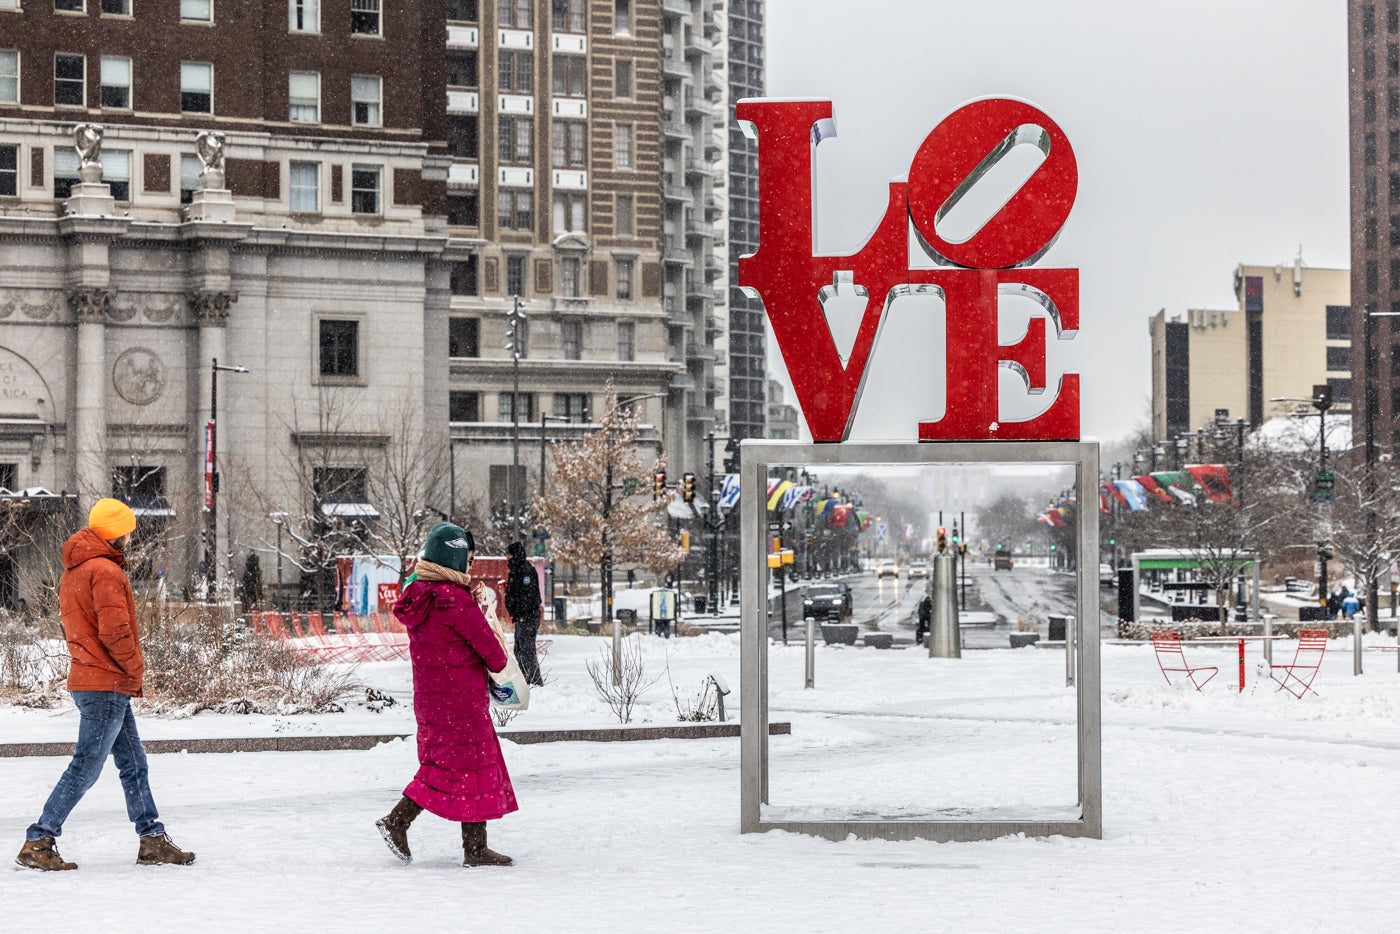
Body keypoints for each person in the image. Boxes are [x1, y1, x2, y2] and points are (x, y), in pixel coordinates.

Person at [16, 498, 195, 871]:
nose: (131, 535)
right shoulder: (105, 571)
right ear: (117, 532)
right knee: (86, 766)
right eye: (128, 529)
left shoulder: (75, 570)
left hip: (90, 677)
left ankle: (152, 839)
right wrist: (134, 667)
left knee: (133, 762)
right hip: (106, 681)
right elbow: (115, 631)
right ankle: (39, 839)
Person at [377, 523, 517, 868]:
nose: (469, 567)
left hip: (433, 700)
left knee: (460, 767)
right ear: (454, 558)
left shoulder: (419, 595)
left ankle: (475, 847)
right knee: (455, 769)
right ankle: (398, 821)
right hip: (461, 702)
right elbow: (495, 656)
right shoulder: (454, 600)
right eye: (467, 559)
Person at [504, 541, 544, 686]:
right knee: (519, 649)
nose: (507, 557)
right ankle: (526, 678)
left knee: (526, 650)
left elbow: (528, 596)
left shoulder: (525, 571)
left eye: (509, 554)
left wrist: (514, 604)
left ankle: (534, 681)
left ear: (515, 555)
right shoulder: (516, 571)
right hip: (521, 617)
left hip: (528, 616)